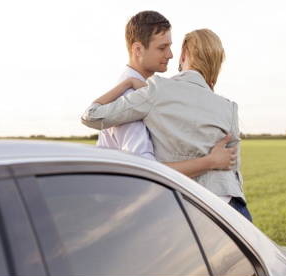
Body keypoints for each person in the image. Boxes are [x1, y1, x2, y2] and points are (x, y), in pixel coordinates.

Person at [81, 28, 252, 222]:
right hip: (236, 214)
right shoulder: (229, 108)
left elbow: (91, 116)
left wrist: (128, 83)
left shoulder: (157, 91)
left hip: (194, 211)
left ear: (184, 55)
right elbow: (232, 172)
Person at [93, 10, 237, 178]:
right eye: (162, 48)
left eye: (170, 46)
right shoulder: (129, 96)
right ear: (138, 49)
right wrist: (210, 162)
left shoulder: (152, 92)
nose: (170, 54)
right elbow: (147, 171)